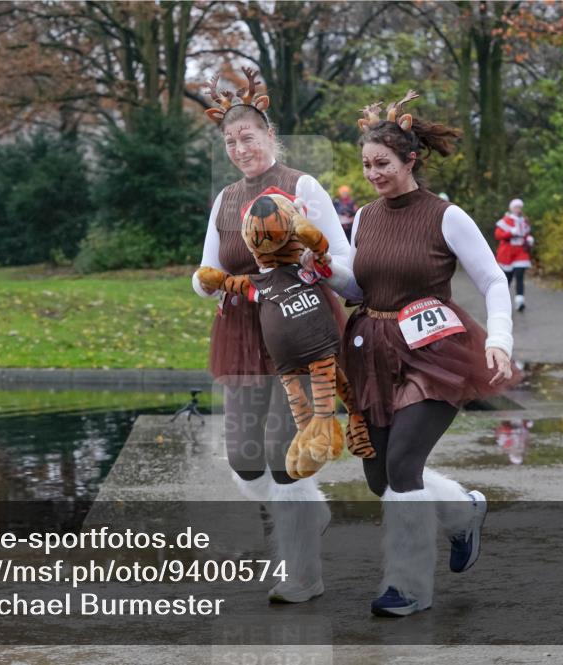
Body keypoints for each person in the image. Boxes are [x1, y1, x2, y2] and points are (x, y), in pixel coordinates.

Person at [324, 91, 518, 617]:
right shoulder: (362, 218)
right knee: (379, 476)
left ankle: (406, 587)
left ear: (411, 160)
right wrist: (320, 267)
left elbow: (494, 281)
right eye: (366, 164)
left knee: (405, 465)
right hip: (371, 349)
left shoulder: (447, 217)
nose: (373, 173)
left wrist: (499, 339)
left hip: (434, 352)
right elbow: (362, 287)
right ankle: (462, 512)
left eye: (382, 163)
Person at [193, 68, 352, 603]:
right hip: (241, 330)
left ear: (269, 136)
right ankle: (313, 510)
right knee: (243, 458)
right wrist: (203, 283)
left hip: (297, 328)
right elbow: (206, 270)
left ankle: (303, 574)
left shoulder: (302, 186)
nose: (241, 148)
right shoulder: (224, 200)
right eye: (231, 141)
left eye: (249, 138)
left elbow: (344, 262)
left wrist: (316, 261)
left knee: (287, 454)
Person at [494, 198, 534, 311]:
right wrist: (510, 232)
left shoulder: (524, 221)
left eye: (520, 207)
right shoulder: (505, 220)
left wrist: (529, 239)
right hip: (507, 253)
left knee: (520, 276)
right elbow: (498, 235)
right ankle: (501, 301)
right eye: (516, 207)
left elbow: (526, 234)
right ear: (512, 208)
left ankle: (520, 301)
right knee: (507, 278)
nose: (518, 209)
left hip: (521, 252)